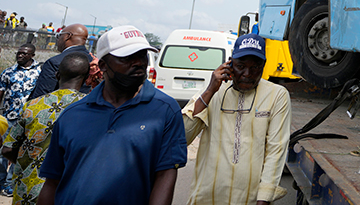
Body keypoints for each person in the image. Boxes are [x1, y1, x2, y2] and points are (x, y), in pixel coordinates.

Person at [37, 25, 186, 205]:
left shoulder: (165, 110)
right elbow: (52, 182)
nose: (138, 62)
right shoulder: (72, 114)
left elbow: (165, 175)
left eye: (141, 55)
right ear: (103, 66)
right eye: (127, 58)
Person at [183, 33, 291, 205]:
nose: (247, 74)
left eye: (255, 67)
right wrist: (210, 90)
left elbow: (276, 149)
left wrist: (264, 198)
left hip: (249, 199)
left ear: (264, 65)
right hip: (207, 197)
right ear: (230, 63)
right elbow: (183, 137)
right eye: (240, 66)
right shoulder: (215, 91)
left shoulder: (277, 95)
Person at [2, 53, 90, 205]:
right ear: (87, 77)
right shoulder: (91, 108)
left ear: (56, 75)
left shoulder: (33, 106)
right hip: (68, 192)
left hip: (28, 190)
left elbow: (7, 149)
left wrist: (29, 163)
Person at [0, 43, 41, 196]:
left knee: (19, 152)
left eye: (24, 53)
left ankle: (10, 184)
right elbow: (0, 93)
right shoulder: (8, 72)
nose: (20, 55)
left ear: (32, 55)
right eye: (19, 53)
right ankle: (1, 181)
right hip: (9, 117)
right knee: (2, 151)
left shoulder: (40, 72)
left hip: (28, 119)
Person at [29, 24, 93, 100]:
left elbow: (40, 96)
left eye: (59, 36)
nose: (58, 40)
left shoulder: (54, 62)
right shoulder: (94, 61)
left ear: (67, 36)